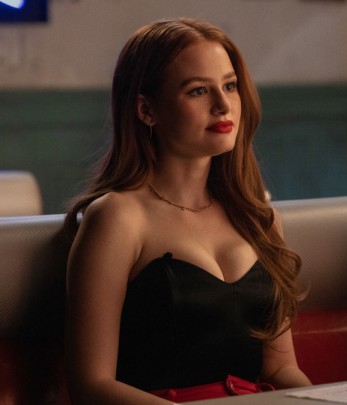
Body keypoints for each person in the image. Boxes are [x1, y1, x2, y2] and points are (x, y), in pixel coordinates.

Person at [64, 18, 311, 404]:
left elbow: (280, 369)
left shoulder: (260, 219)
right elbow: (91, 385)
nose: (223, 105)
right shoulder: (117, 218)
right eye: (198, 90)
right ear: (146, 109)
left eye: (230, 86)